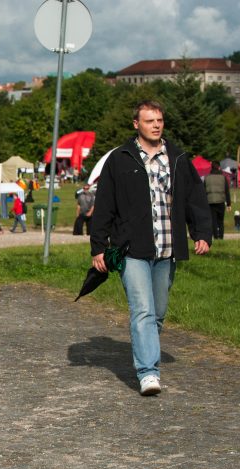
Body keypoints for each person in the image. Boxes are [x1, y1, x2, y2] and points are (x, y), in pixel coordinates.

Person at [90, 99, 211, 396]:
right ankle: (148, 372)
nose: (156, 125)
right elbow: (104, 205)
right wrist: (98, 246)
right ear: (136, 124)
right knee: (142, 310)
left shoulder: (178, 158)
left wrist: (201, 232)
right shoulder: (120, 159)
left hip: (167, 247)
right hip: (132, 249)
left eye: (159, 120)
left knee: (157, 312)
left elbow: (196, 197)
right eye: (149, 121)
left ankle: (147, 352)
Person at [203, 162, 231, 240]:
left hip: (210, 201)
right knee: (220, 221)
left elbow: (203, 191)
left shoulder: (207, 178)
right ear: (219, 167)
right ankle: (221, 237)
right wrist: (229, 204)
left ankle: (215, 236)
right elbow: (227, 191)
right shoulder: (223, 178)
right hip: (221, 201)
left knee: (213, 220)